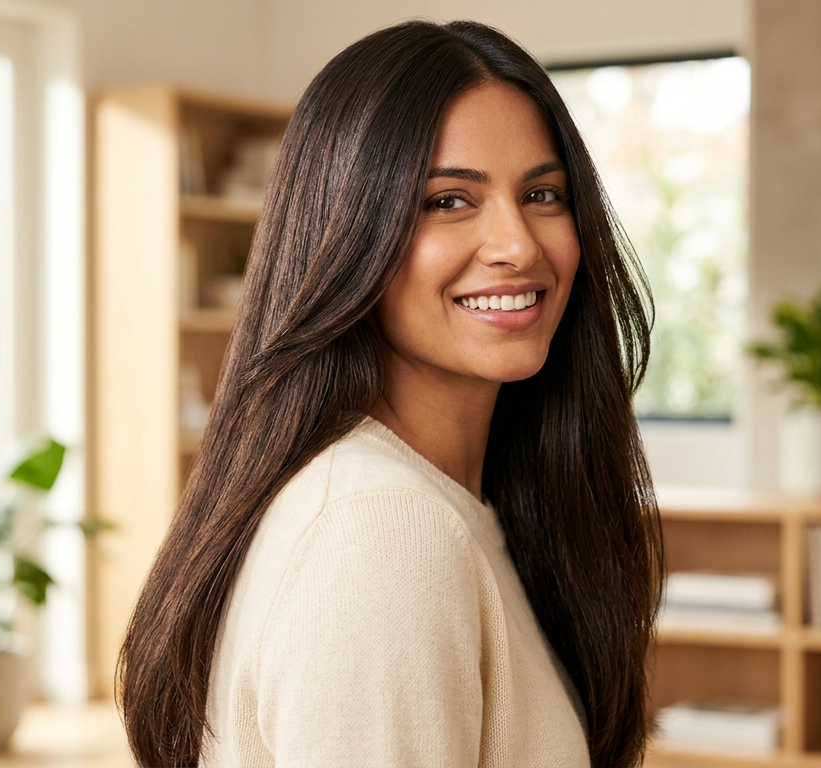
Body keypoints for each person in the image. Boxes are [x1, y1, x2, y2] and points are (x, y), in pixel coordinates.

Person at [118, 19, 662, 768]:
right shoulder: (382, 531)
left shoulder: (453, 503)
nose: (518, 244)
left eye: (542, 193)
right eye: (447, 201)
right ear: (348, 234)